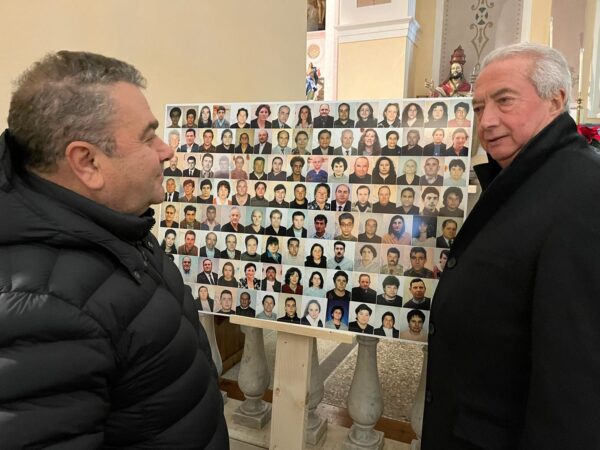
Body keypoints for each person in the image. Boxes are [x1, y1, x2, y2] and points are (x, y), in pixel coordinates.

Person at [0, 50, 227, 449]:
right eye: (147, 137)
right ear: (87, 162)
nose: (166, 150)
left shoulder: (114, 220)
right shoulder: (44, 307)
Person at [424, 43, 600, 449]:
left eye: (504, 101)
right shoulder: (523, 176)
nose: (487, 121)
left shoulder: (585, 191)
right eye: (479, 107)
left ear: (555, 100)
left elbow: (575, 377)